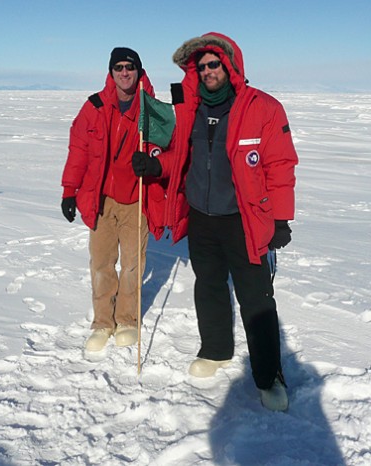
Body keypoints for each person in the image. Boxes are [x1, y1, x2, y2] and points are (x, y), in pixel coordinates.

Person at [132, 33, 298, 411]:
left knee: (255, 297)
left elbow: (280, 166)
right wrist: (157, 165)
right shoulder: (190, 110)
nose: (208, 71)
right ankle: (217, 350)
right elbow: (181, 159)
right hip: (202, 217)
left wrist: (281, 218)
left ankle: (269, 375)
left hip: (244, 218)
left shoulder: (263, 108)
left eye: (214, 64)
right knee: (208, 286)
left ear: (230, 66)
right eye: (202, 66)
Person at [61, 47, 165, 353]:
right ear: (111, 71)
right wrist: (70, 191)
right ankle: (103, 323)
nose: (124, 72)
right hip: (101, 200)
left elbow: (166, 147)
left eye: (129, 67)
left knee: (132, 266)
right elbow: (78, 151)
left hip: (136, 199)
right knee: (102, 265)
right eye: (118, 67)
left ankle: (128, 320)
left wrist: (152, 160)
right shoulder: (93, 107)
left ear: (138, 70)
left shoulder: (151, 108)